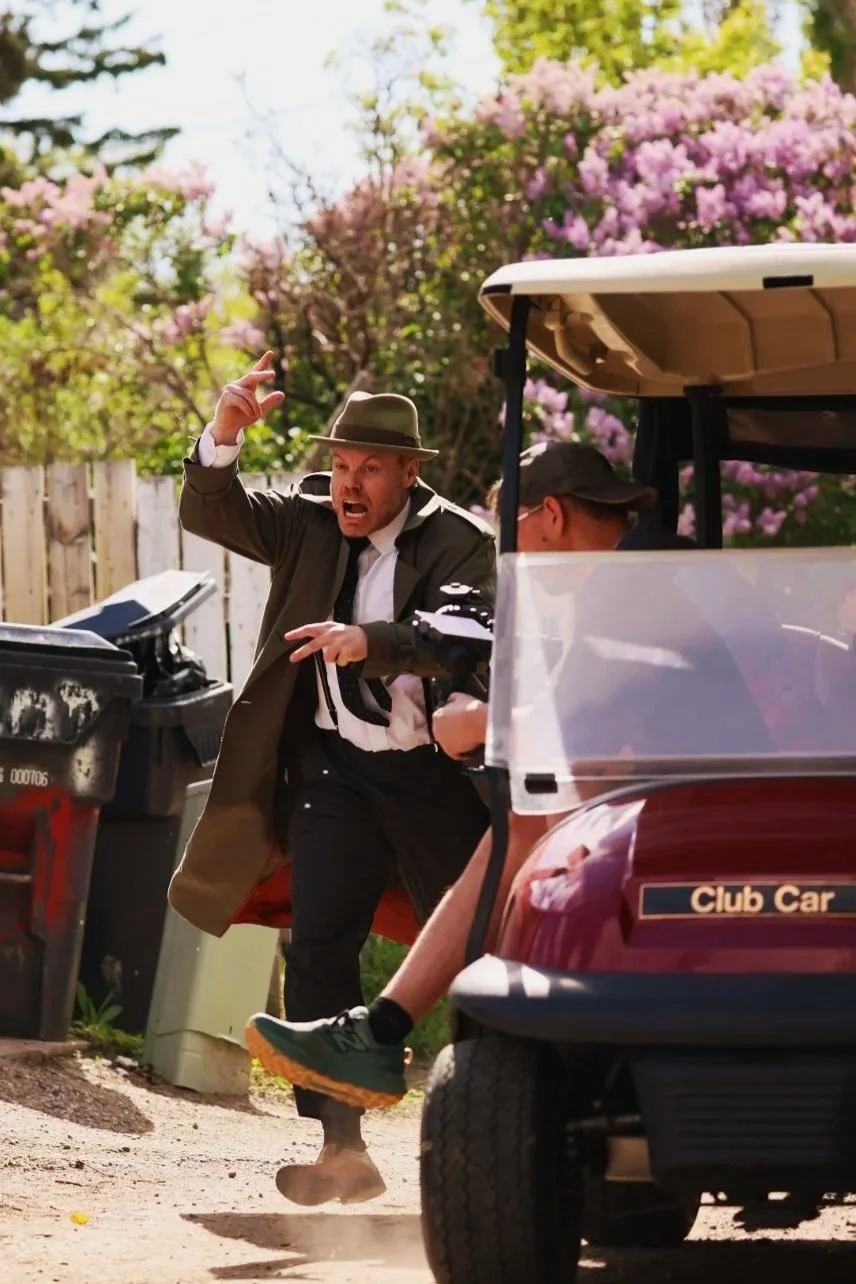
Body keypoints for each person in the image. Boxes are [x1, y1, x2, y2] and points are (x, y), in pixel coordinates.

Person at [244, 438, 717, 1114]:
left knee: (526, 824)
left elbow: (598, 742)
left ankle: (386, 1033)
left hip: (697, 820)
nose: (510, 556)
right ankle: (385, 1031)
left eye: (513, 531)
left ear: (551, 514)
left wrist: (478, 728)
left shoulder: (636, 589)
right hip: (678, 803)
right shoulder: (641, 577)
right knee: (525, 820)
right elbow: (599, 725)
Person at [168, 352, 495, 1207]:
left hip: (432, 776)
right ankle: (341, 1147)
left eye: (370, 469)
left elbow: (470, 639)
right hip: (332, 770)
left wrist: (373, 641)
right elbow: (214, 511)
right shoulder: (308, 522)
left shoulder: (464, 541)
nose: (348, 484)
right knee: (317, 944)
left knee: (470, 947)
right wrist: (223, 437)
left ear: (410, 474)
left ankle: (492, 1126)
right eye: (340, 465)